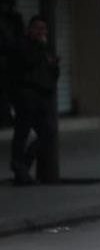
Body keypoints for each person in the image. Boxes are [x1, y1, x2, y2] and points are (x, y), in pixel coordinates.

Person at [10, 16, 59, 186]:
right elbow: (26, 62)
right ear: (29, 29)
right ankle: (19, 167)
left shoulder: (45, 48)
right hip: (26, 95)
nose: (41, 32)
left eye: (43, 29)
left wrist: (53, 65)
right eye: (37, 28)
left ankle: (22, 164)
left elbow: (52, 73)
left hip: (41, 97)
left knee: (48, 132)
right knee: (22, 133)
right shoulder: (23, 45)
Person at [0, 0, 24, 128]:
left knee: (11, 91)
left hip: (11, 60)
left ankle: (8, 117)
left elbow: (17, 39)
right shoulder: (13, 19)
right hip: (9, 60)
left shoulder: (14, 19)